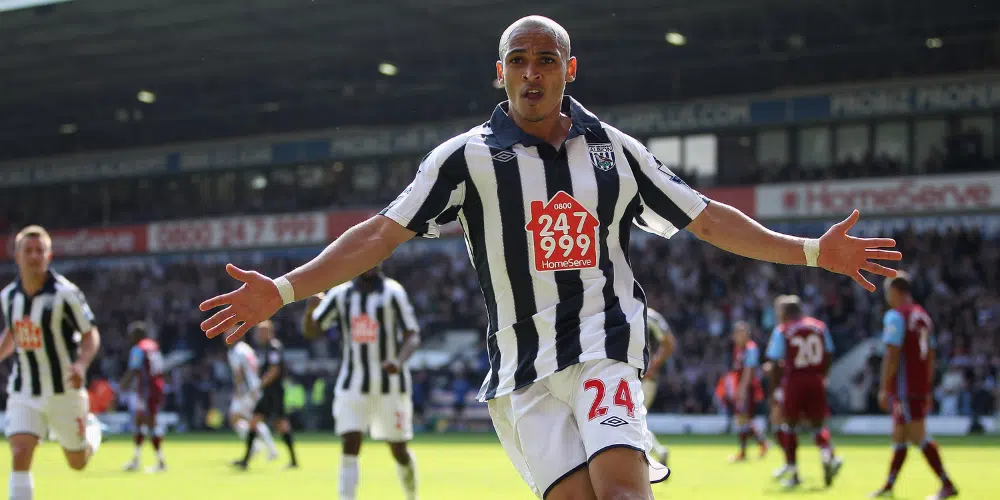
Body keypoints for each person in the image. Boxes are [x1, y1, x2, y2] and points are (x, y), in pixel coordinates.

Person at [198, 15, 901, 499]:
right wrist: (286, 290)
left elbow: (708, 219)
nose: (530, 74)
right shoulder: (464, 159)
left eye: (544, 60)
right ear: (497, 72)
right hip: (521, 370)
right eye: (517, 60)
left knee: (623, 489)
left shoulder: (614, 151)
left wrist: (812, 250)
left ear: (569, 68)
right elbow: (380, 233)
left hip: (604, 342)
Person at [0, 225, 104, 500]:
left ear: (49, 256)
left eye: (40, 250)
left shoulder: (65, 294)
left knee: (77, 462)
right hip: (25, 389)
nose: (34, 256)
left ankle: (92, 430)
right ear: (17, 255)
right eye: (28, 250)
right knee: (20, 452)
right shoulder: (8, 296)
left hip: (64, 391)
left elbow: (90, 333)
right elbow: (14, 332)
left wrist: (81, 364)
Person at [303, 264, 421, 500]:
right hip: (352, 383)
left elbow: (412, 334)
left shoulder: (393, 292)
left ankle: (411, 495)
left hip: (391, 385)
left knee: (398, 449)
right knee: (350, 442)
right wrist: (309, 311)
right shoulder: (340, 295)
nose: (370, 264)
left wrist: (398, 361)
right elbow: (312, 332)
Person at [870, 272, 957, 500]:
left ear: (896, 291)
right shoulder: (923, 317)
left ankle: (947, 484)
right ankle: (889, 486)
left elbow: (892, 353)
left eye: (888, 293)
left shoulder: (896, 316)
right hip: (917, 384)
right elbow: (931, 355)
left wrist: (883, 387)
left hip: (904, 386)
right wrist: (927, 387)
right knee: (899, 435)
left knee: (918, 435)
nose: (887, 298)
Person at [765, 295, 842, 488]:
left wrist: (774, 390)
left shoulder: (783, 331)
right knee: (817, 425)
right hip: (816, 379)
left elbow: (774, 361)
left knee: (789, 426)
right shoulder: (819, 327)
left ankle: (793, 473)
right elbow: (830, 352)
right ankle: (827, 455)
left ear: (785, 312)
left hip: (794, 381)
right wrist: (823, 375)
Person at [233, 320, 298, 470]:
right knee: (256, 421)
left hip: (273, 392)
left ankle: (293, 460)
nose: (259, 335)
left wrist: (260, 385)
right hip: (269, 392)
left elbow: (274, 370)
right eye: (258, 332)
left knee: (279, 424)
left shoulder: (274, 348)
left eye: (262, 332)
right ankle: (245, 460)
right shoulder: (267, 349)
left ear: (270, 332)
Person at [119, 321, 168, 473]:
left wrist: (121, 386)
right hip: (156, 387)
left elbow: (133, 370)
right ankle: (136, 459)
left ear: (136, 335)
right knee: (140, 422)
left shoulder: (138, 349)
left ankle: (161, 462)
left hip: (147, 390)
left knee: (150, 424)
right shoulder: (154, 346)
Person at [226, 333, 278, 464]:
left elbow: (239, 373)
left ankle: (257, 446)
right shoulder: (247, 349)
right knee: (253, 419)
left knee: (237, 418)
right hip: (255, 387)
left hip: (247, 390)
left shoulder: (237, 351)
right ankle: (268, 448)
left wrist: (238, 391)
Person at [725, 321, 768, 462]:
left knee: (742, 419)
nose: (739, 336)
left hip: (748, 388)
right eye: (737, 333)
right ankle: (761, 444)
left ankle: (746, 452)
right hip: (740, 386)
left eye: (742, 332)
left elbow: (749, 371)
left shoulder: (750, 348)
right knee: (743, 420)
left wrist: (742, 390)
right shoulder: (738, 348)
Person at [640, 308, 675, 467]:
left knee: (634, 419)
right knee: (635, 420)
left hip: (644, 379)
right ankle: (659, 452)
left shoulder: (649, 316)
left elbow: (669, 342)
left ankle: (654, 456)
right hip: (631, 377)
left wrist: (654, 364)